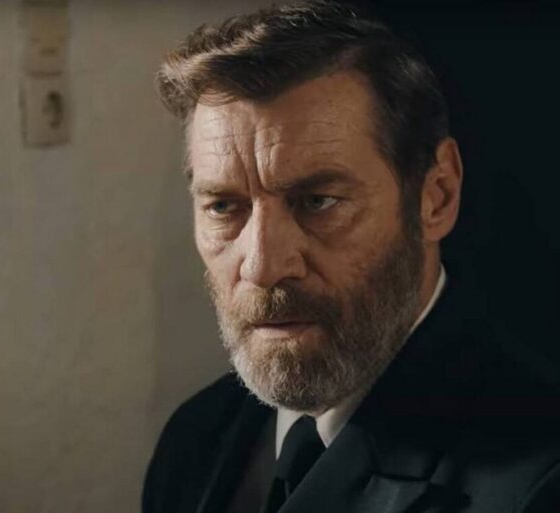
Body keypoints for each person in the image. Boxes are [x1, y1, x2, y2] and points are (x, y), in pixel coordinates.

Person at [142, 2, 560, 512]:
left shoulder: (540, 484)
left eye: (318, 202)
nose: (263, 266)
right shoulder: (193, 441)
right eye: (224, 207)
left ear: (437, 196)